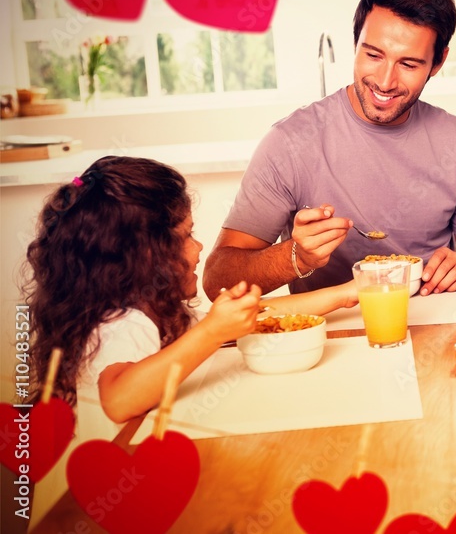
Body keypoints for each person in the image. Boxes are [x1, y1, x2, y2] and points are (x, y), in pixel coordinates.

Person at [203, 0, 456, 300]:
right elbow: (218, 283)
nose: (385, 82)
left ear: (438, 62)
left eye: (409, 64)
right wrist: (296, 257)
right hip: (335, 333)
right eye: (373, 55)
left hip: (436, 327)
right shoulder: (289, 143)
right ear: (355, 42)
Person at [24, 156, 359, 440]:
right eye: (186, 236)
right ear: (142, 256)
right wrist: (212, 331)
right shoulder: (121, 323)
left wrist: (345, 294)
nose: (198, 248)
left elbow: (259, 312)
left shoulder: (158, 310)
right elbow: (119, 400)